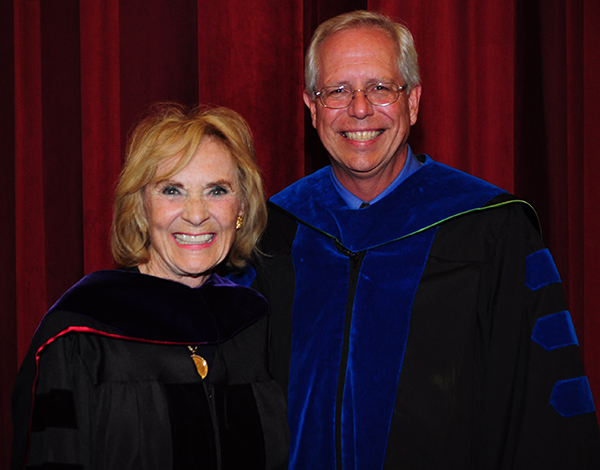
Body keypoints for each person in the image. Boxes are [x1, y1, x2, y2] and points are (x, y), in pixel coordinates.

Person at [235, 10, 600, 469]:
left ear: (413, 101)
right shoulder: (274, 233)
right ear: (312, 107)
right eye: (338, 91)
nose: (360, 108)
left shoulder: (492, 232)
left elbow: (544, 410)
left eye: (381, 87)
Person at [12, 103, 288, 469]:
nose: (195, 213)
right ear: (141, 207)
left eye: (217, 191)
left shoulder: (254, 325)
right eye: (172, 190)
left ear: (241, 209)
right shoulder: (81, 336)